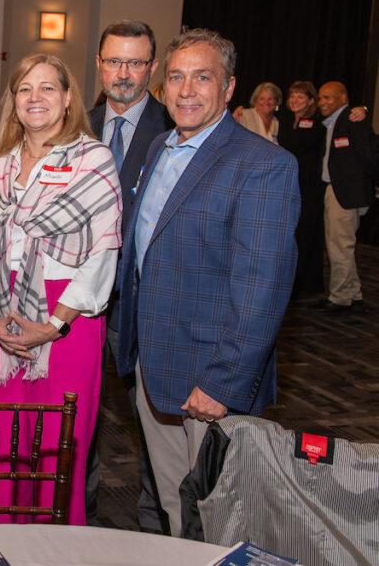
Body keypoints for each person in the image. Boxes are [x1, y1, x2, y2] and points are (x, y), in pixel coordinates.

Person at [116, 29, 300, 536]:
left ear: (229, 87)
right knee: (177, 505)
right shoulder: (160, 147)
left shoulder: (264, 165)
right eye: (176, 77)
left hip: (212, 374)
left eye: (203, 77)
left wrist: (223, 382)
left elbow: (263, 288)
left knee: (223, 514)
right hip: (154, 363)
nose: (186, 90)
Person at [0, 53, 121, 525]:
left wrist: (52, 326)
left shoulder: (93, 159)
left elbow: (102, 254)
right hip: (3, 319)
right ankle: (2, 540)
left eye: (48, 87)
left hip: (67, 321)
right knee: (4, 446)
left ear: (68, 98)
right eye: (25, 89)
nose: (35, 98)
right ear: (13, 101)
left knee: (58, 447)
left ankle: (54, 546)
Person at [84, 20, 171, 532]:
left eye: (135, 63)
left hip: (142, 300)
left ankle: (155, 527)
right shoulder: (77, 123)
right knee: (80, 417)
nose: (123, 73)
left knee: (152, 421)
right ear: (99, 64)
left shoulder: (174, 125)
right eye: (114, 61)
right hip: (77, 302)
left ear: (152, 67)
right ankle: (77, 515)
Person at [313, 81, 377, 313]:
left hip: (345, 193)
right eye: (320, 98)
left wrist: (368, 185)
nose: (322, 102)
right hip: (340, 191)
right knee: (342, 245)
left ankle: (339, 297)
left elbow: (369, 155)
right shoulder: (333, 121)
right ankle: (353, 294)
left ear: (343, 97)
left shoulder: (352, 118)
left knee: (339, 246)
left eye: (328, 97)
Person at [276, 81, 326, 301]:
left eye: (300, 96)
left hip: (309, 186)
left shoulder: (318, 124)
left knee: (306, 234)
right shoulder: (285, 120)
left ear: (311, 101)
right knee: (291, 233)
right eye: (292, 96)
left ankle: (302, 284)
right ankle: (290, 281)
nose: (295, 100)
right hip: (288, 184)